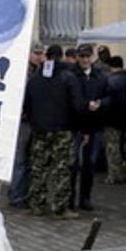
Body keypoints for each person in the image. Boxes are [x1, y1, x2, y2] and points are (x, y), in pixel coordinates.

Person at [23, 44, 86, 218]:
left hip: (40, 128)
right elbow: (78, 105)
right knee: (61, 168)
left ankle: (37, 204)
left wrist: (35, 118)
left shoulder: (35, 77)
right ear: (61, 56)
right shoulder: (68, 77)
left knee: (38, 167)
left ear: (47, 57)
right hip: (62, 129)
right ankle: (60, 208)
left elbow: (27, 103)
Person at [71, 43, 108, 211]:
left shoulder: (100, 76)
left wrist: (101, 103)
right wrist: (86, 105)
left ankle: (85, 197)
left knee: (90, 164)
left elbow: (109, 97)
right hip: (76, 126)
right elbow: (71, 100)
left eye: (87, 56)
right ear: (78, 57)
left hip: (94, 126)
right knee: (73, 164)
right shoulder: (71, 75)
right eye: (82, 56)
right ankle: (70, 198)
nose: (85, 59)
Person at [9, 42, 46, 208]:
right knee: (20, 160)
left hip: (34, 120)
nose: (39, 57)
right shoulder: (21, 71)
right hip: (22, 121)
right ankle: (16, 196)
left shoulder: (42, 71)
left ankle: (25, 194)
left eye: (41, 53)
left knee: (30, 160)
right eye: (36, 53)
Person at [103, 55, 126, 185]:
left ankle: (115, 175)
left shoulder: (109, 80)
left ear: (110, 66)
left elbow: (107, 101)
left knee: (113, 148)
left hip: (112, 119)